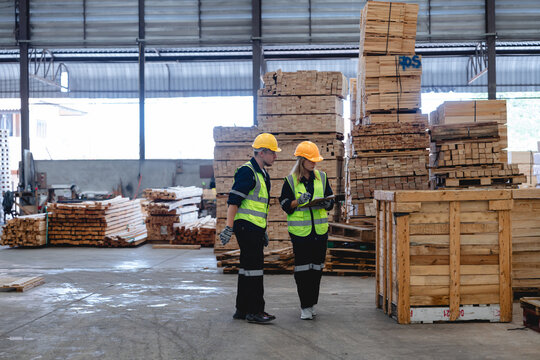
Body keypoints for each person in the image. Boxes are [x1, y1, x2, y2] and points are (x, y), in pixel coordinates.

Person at [219, 133, 281, 324]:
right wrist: (228, 227)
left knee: (247, 268)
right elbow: (233, 201)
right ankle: (255, 311)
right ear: (261, 153)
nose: (275, 157)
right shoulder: (248, 172)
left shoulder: (262, 175)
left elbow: (259, 207)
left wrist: (262, 231)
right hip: (246, 227)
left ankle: (242, 309)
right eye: (272, 153)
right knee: (255, 269)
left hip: (254, 228)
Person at [279, 141, 333, 320]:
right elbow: (285, 204)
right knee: (303, 271)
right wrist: (298, 201)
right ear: (302, 160)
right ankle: (305, 306)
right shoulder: (290, 181)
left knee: (317, 269)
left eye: (316, 160)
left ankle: (312, 303)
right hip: (301, 234)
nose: (314, 163)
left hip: (319, 232)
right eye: (311, 160)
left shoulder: (322, 178)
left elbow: (330, 200)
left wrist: (328, 203)